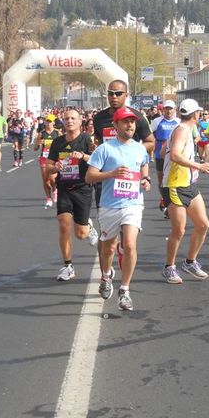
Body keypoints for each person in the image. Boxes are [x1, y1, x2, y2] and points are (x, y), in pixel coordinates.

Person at [86, 107, 151, 311]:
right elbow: (89, 177)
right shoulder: (105, 149)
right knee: (109, 248)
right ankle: (106, 276)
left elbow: (144, 167)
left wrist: (146, 180)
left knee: (130, 245)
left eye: (132, 122)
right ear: (115, 126)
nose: (130, 125)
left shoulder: (140, 148)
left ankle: (125, 290)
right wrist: (111, 174)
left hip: (133, 203)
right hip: (109, 205)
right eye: (125, 122)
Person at [92, 80, 154, 267]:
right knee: (106, 237)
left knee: (127, 236)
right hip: (106, 178)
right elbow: (98, 140)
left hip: (129, 179)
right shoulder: (99, 118)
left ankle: (123, 249)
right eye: (110, 93)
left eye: (118, 93)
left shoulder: (136, 117)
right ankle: (106, 269)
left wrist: (132, 151)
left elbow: (151, 142)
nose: (114, 97)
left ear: (126, 95)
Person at [161, 99, 209, 284]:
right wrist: (198, 165)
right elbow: (175, 155)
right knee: (179, 230)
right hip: (175, 185)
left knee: (203, 224)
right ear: (195, 114)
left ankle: (190, 262)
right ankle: (169, 267)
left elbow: (165, 152)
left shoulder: (186, 129)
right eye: (199, 113)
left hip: (188, 184)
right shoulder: (182, 129)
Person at [46, 108, 99, 282]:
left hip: (82, 188)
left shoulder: (87, 140)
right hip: (63, 188)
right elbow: (48, 167)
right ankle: (68, 266)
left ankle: (89, 227)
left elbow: (99, 161)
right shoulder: (57, 142)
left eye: (73, 118)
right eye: (67, 118)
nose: (69, 121)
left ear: (80, 121)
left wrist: (83, 156)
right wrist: (56, 167)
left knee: (81, 234)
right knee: (63, 224)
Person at [150, 100, 180, 199]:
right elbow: (150, 136)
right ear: (163, 109)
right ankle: (163, 198)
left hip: (174, 154)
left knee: (174, 178)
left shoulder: (178, 122)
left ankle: (172, 199)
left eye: (170, 108)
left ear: (174, 110)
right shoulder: (156, 121)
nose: (168, 111)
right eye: (166, 108)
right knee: (161, 179)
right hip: (160, 154)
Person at [34, 115, 60, 208]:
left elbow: (63, 144)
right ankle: (48, 199)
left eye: (50, 121)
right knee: (45, 181)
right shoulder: (42, 133)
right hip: (44, 158)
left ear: (53, 122)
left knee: (53, 178)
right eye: (47, 121)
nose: (48, 123)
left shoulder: (57, 133)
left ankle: (55, 189)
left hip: (54, 159)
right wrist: (38, 144)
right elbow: (35, 148)